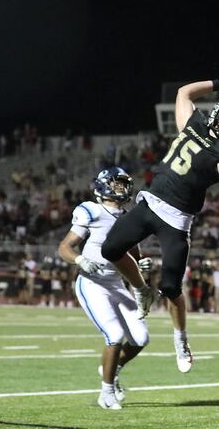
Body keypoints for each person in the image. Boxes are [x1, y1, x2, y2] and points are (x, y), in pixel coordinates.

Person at [101, 74, 219, 373]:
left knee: (171, 288)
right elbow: (184, 92)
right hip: (151, 202)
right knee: (110, 249)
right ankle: (142, 290)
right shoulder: (193, 123)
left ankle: (180, 339)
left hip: (176, 222)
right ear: (217, 111)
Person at [58, 167, 150, 410]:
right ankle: (106, 392)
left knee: (141, 338)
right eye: (116, 183)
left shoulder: (129, 216)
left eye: (123, 184)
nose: (121, 188)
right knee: (115, 335)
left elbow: (133, 254)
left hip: (117, 284)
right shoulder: (91, 210)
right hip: (93, 283)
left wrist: (142, 264)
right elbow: (65, 247)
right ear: (103, 185)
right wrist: (80, 260)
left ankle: (113, 369)